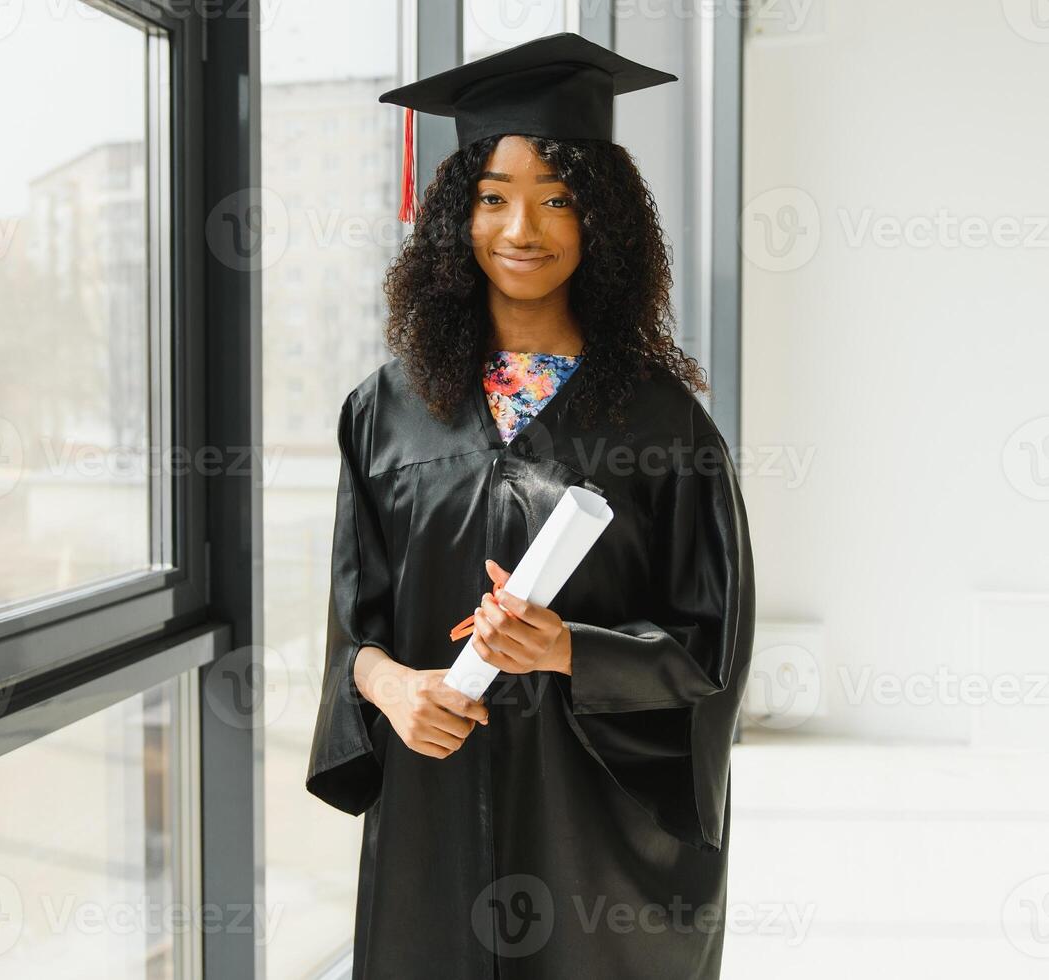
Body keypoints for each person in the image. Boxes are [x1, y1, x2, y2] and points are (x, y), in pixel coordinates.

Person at [305, 32, 756, 979]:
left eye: (557, 199)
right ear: (453, 220)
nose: (523, 229)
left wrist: (569, 650)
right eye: (493, 198)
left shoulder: (663, 421)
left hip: (598, 835)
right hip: (434, 813)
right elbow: (356, 630)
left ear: (602, 221)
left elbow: (710, 655)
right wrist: (392, 687)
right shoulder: (384, 412)